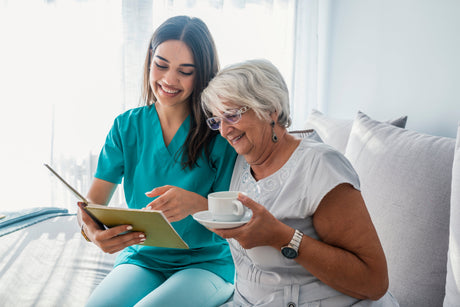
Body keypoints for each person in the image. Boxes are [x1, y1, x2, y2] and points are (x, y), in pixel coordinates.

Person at [200, 59, 399, 306]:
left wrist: (281, 236)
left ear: (271, 109)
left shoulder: (321, 165)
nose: (224, 130)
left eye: (231, 115)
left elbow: (374, 282)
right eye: (218, 120)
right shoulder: (241, 160)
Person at [79, 16, 237, 307]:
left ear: (201, 75)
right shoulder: (126, 127)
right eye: (161, 65)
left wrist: (195, 204)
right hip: (143, 257)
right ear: (149, 61)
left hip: (206, 262)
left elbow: (239, 216)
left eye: (185, 71)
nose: (169, 80)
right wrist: (92, 232)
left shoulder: (221, 132)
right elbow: (92, 203)